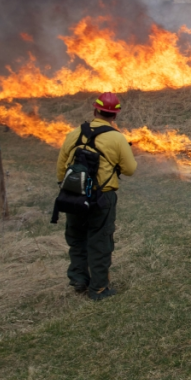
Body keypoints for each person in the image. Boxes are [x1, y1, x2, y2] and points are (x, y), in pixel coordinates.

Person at [56, 92, 137, 300]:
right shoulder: (117, 138)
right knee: (100, 240)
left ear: (95, 111)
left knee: (77, 238)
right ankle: (99, 288)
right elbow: (130, 169)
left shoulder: (73, 134)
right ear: (115, 116)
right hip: (102, 198)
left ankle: (79, 279)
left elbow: (61, 167)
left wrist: (67, 190)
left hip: (73, 195)